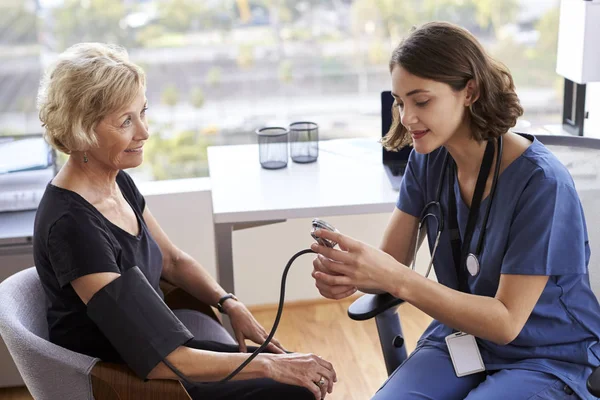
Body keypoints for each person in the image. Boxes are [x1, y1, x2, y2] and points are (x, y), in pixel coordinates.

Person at [311, 22, 600, 400]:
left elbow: (507, 322)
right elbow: (392, 264)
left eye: (421, 101)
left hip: (546, 354)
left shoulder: (542, 184)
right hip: (462, 338)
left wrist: (396, 278)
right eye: (400, 102)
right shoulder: (428, 160)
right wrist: (351, 272)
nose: (406, 118)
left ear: (470, 92)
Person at [34, 42, 335, 400]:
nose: (144, 132)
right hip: (131, 379)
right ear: (81, 128)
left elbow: (174, 261)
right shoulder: (73, 227)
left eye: (142, 113)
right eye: (126, 121)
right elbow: (164, 359)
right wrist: (269, 366)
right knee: (293, 387)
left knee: (291, 374)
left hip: (158, 346)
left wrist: (229, 303)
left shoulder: (117, 182)